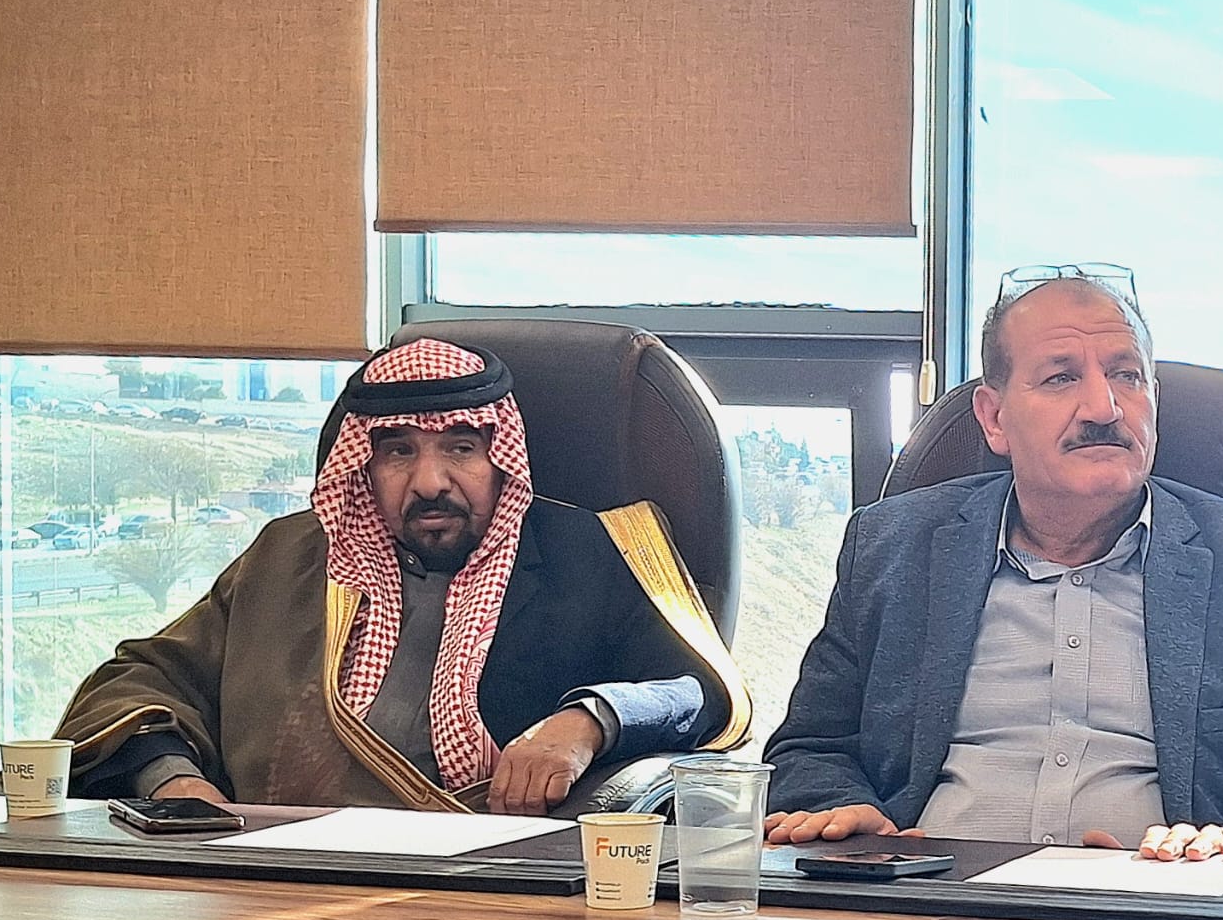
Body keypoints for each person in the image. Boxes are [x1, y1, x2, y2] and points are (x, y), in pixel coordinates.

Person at [764, 267, 1223, 861]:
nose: (1104, 408)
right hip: (926, 897)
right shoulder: (891, 548)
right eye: (1060, 378)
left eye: (1127, 376)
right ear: (994, 418)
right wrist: (846, 813)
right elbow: (809, 749)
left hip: (1156, 905)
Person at [49, 338, 751, 814]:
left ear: (500, 455)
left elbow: (698, 689)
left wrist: (586, 722)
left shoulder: (590, 552)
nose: (430, 481)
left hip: (493, 887)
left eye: (460, 448)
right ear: (363, 464)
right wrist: (175, 782)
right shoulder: (289, 558)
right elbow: (144, 678)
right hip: (268, 875)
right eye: (398, 452)